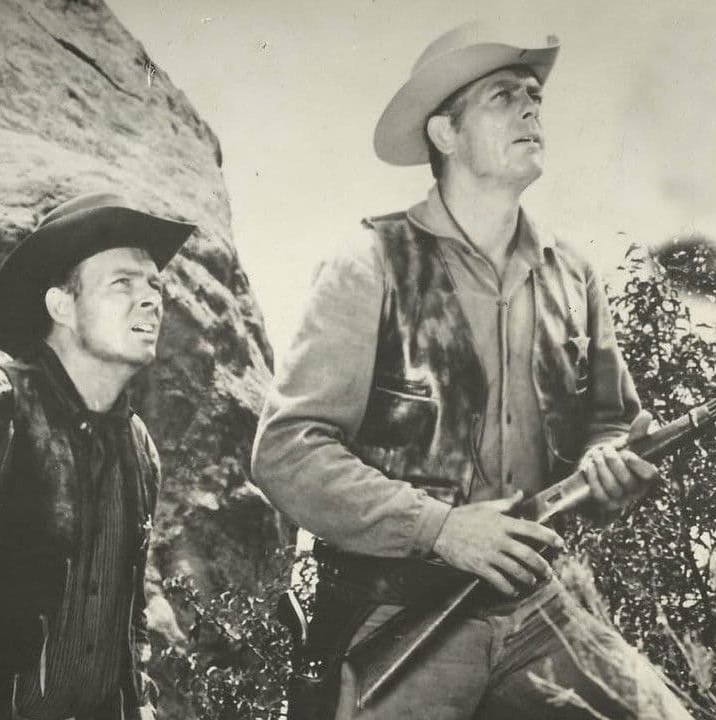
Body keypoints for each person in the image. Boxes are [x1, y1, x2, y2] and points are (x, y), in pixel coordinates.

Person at [252, 20, 693, 720]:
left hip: (539, 608)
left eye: (533, 96)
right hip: (398, 614)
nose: (530, 109)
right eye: (502, 97)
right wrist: (441, 529)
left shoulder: (572, 275)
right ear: (445, 133)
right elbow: (286, 451)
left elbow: (610, 425)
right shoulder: (368, 263)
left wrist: (609, 466)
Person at [0, 192, 195, 720]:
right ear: (61, 306)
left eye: (154, 286)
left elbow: (127, 621)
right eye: (123, 283)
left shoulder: (139, 448)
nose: (150, 300)